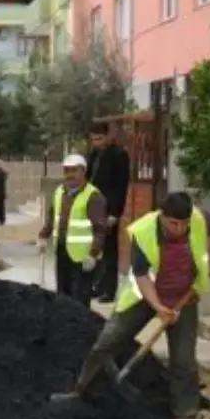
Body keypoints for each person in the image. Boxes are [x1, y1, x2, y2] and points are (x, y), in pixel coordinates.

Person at [50, 192, 210, 419]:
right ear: (162, 217)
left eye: (184, 223)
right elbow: (142, 276)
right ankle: (80, 391)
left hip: (185, 296)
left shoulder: (198, 218)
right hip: (145, 294)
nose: (180, 228)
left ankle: (184, 416)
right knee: (108, 341)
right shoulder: (142, 231)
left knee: (183, 360)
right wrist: (159, 307)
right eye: (174, 223)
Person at [37, 154, 107, 307]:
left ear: (83, 172)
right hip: (62, 252)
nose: (69, 175)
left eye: (74, 171)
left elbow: (100, 228)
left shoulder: (93, 196)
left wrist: (93, 254)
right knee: (62, 297)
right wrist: (43, 236)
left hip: (82, 258)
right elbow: (52, 217)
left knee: (80, 299)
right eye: (66, 171)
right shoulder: (59, 192)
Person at [86, 123, 131, 303]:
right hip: (93, 208)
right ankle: (96, 285)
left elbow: (121, 186)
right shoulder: (93, 155)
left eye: (100, 138)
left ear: (107, 136)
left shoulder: (119, 155)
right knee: (95, 247)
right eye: (94, 139)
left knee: (110, 250)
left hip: (109, 209)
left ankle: (109, 290)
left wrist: (115, 213)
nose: (97, 142)